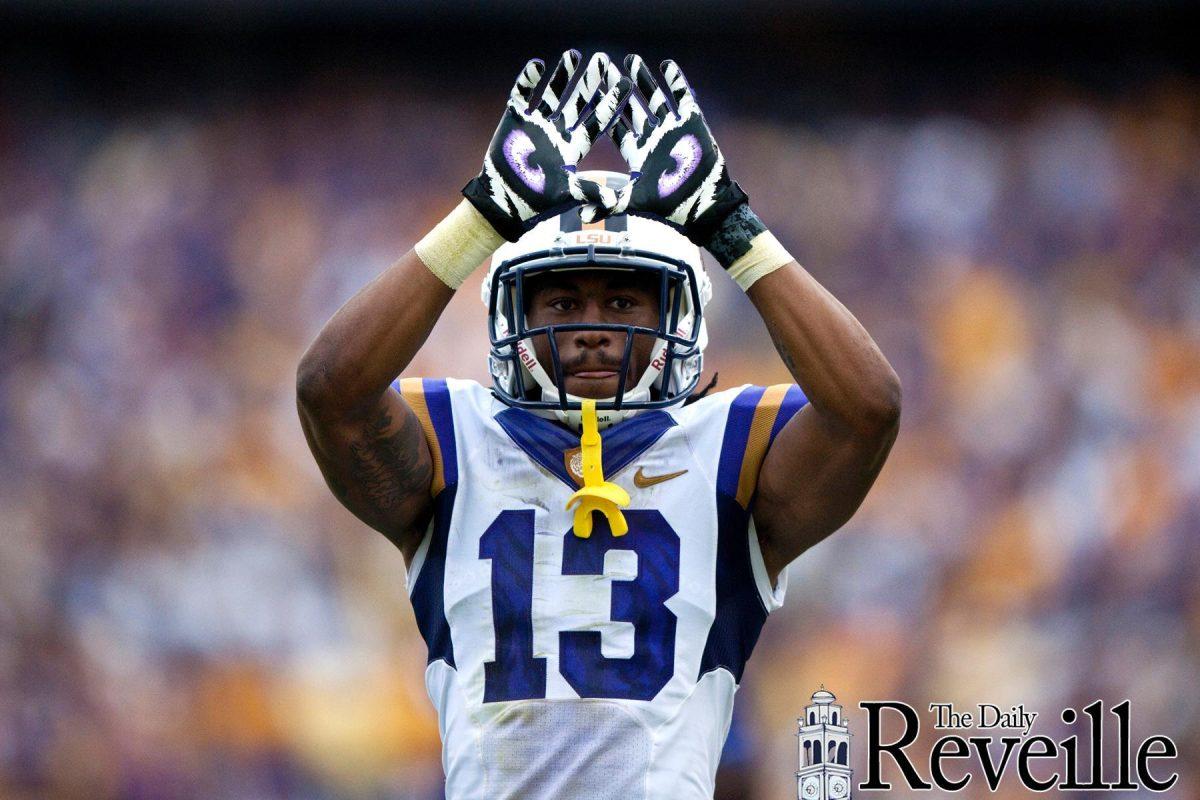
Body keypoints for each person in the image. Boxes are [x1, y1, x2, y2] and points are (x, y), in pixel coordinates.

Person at [296, 49, 900, 800]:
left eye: (621, 303)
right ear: (514, 314)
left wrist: (728, 225)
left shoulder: (730, 449)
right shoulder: (455, 439)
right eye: (561, 302)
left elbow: (870, 406)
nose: (589, 328)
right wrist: (481, 216)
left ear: (676, 314)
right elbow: (329, 391)